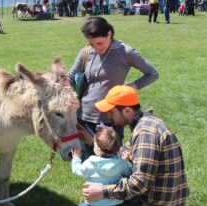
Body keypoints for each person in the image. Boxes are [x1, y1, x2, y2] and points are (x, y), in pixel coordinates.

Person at [80, 85, 189, 206]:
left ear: (127, 111)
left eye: (112, 111)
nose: (108, 116)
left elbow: (139, 183)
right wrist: (93, 141)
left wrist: (102, 191)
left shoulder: (145, 135)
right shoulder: (146, 123)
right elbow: (122, 152)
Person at [68, 17, 158, 158]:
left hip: (111, 121)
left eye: (100, 43)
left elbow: (152, 74)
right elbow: (70, 77)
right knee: (87, 165)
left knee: (111, 166)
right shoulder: (85, 52)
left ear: (109, 34)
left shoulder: (125, 52)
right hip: (83, 117)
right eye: (92, 44)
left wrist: (129, 88)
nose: (96, 48)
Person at [71, 125, 132, 206]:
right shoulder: (120, 164)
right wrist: (127, 160)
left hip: (93, 203)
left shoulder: (90, 162)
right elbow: (129, 172)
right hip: (112, 204)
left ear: (98, 149)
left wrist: (76, 159)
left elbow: (77, 171)